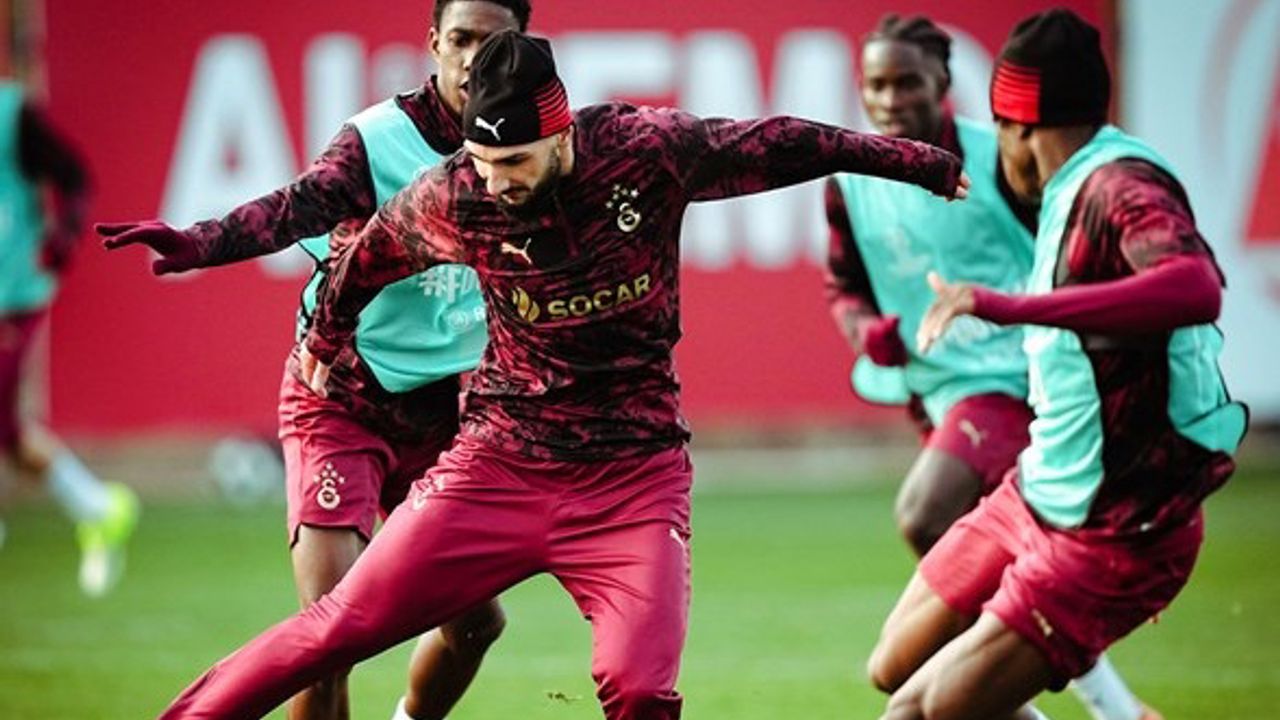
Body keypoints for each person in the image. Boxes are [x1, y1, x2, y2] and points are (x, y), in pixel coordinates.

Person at [154, 29, 967, 720]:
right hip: (497, 467)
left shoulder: (649, 152)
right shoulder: (454, 194)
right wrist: (325, 338)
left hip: (632, 480)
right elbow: (363, 259)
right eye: (482, 159)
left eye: (513, 161)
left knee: (639, 690)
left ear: (561, 132)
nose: (496, 182)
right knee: (338, 628)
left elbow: (786, 143)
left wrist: (918, 163)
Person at [97, 2, 530, 718]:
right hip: (341, 399)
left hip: (443, 416)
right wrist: (199, 242)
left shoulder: (530, 148)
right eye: (460, 39)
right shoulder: (378, 142)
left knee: (478, 625)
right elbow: (292, 207)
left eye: (494, 44)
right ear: (433, 43)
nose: (472, 60)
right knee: (329, 639)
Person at [867, 9, 1247, 720]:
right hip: (1041, 489)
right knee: (896, 666)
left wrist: (1011, 307)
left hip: (1118, 525)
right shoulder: (1073, 185)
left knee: (919, 713)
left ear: (1017, 126)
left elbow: (1195, 286)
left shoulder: (1118, 186)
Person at [828, 15, 1158, 720]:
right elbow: (844, 283)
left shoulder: (1003, 159)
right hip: (937, 392)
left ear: (944, 81)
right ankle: (1114, 711)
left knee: (926, 513)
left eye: (907, 82)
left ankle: (1096, 705)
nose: (890, 100)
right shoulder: (850, 182)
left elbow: (1070, 249)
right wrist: (865, 329)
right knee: (965, 599)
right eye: (876, 85)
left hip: (1016, 381)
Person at [0, 79, 139, 597]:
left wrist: (65, 234)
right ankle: (98, 508)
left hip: (13, 290)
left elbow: (73, 175)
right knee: (10, 433)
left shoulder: (11, 116)